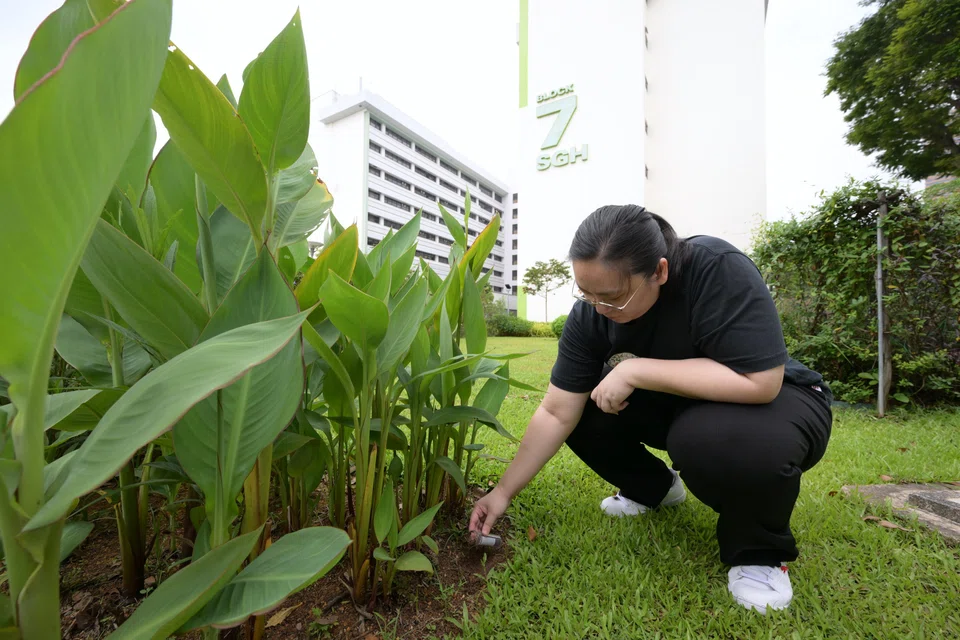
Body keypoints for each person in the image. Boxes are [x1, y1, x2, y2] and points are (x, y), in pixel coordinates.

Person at [468, 205, 832, 614]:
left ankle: (759, 553)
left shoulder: (716, 269)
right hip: (685, 407)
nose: (595, 306)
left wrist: (637, 369)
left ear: (659, 272)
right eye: (584, 292)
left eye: (611, 297)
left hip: (779, 403)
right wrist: (501, 493)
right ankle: (654, 489)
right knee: (585, 406)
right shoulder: (591, 312)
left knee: (708, 438)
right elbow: (556, 411)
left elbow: (761, 381)